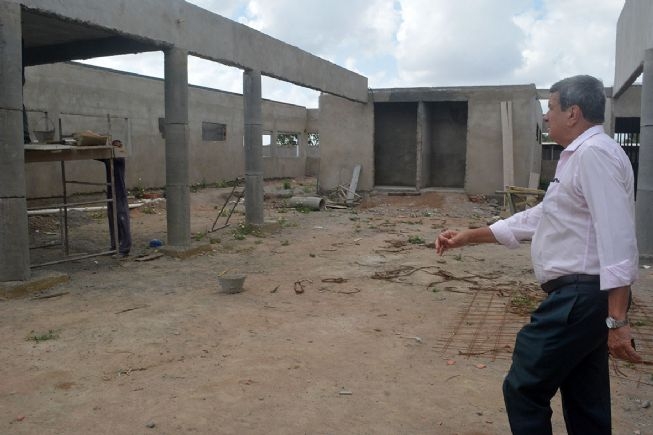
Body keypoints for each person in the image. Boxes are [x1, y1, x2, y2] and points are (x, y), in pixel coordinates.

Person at [435, 75, 642, 434]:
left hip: (578, 299)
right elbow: (542, 217)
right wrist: (471, 236)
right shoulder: (583, 156)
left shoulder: (593, 155)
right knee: (584, 398)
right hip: (584, 298)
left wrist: (617, 321)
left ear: (573, 113)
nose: (546, 118)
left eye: (551, 108)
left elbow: (617, 239)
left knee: (524, 387)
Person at [103, 139, 132, 257]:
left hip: (119, 191)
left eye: (117, 146)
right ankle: (115, 245)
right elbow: (99, 157)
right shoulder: (109, 158)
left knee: (121, 218)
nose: (115, 148)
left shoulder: (119, 156)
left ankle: (125, 248)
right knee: (112, 218)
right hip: (111, 190)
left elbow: (113, 155)